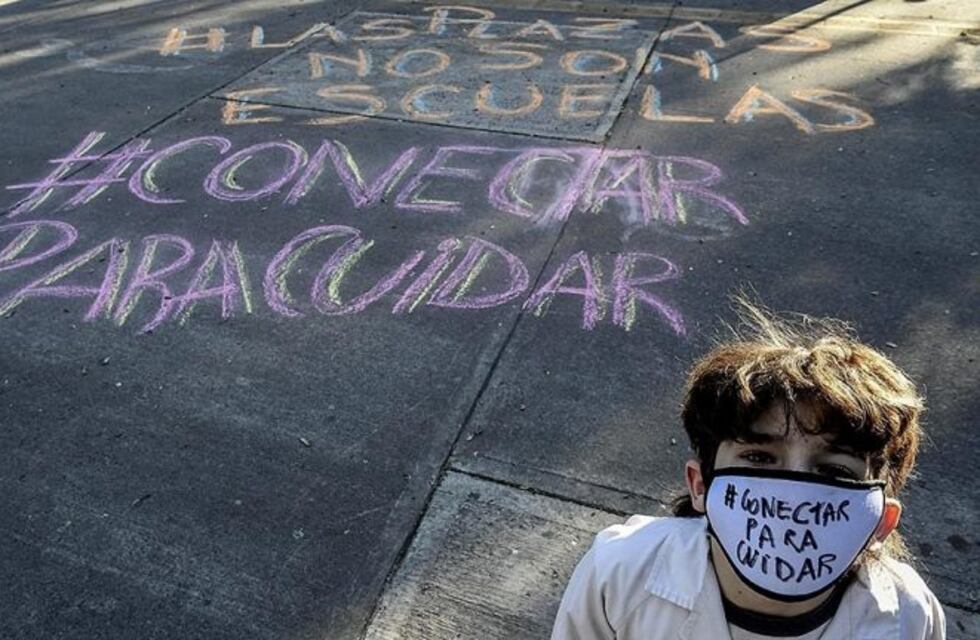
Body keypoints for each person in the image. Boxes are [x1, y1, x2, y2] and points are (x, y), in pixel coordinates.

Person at [550, 299, 946, 639]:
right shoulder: (620, 573)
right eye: (759, 458)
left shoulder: (908, 616)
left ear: (882, 520)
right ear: (700, 484)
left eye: (834, 472)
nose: (793, 492)